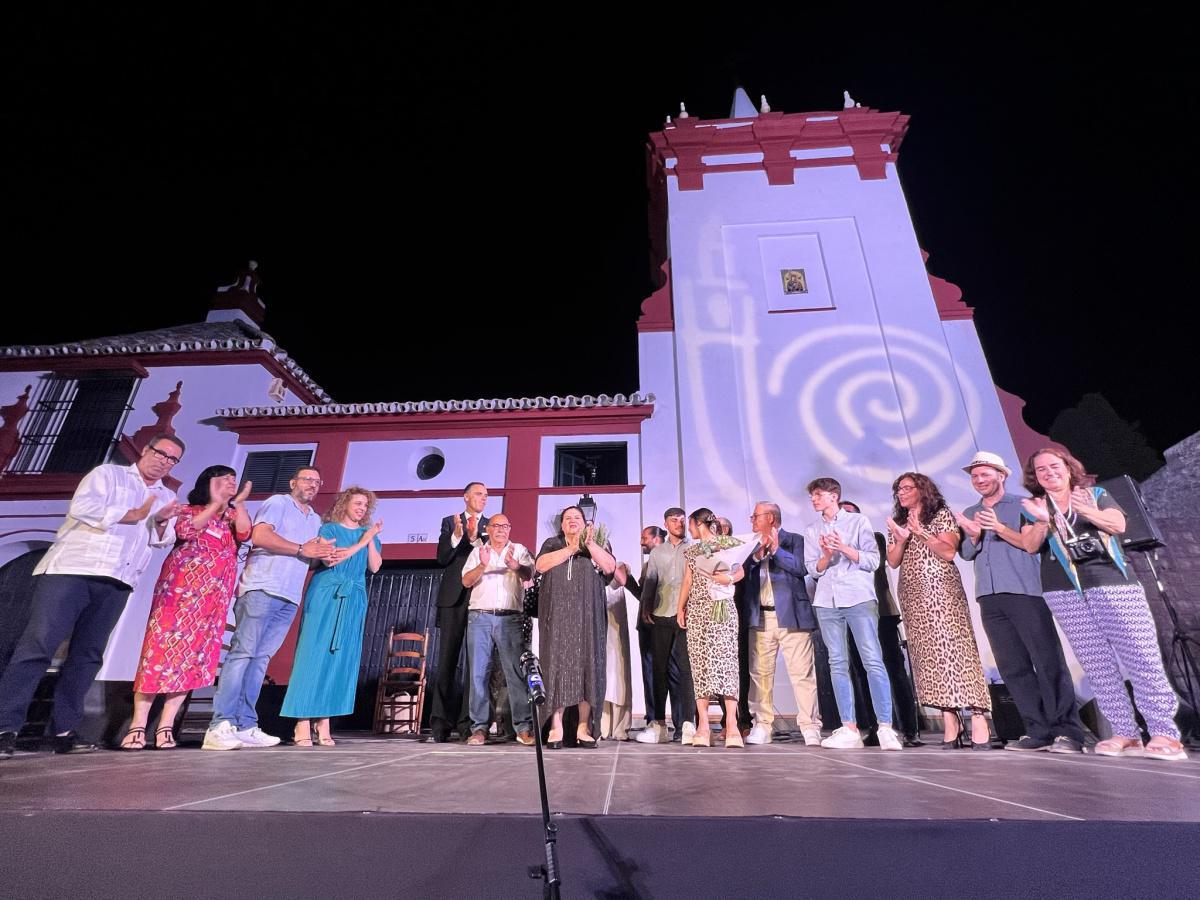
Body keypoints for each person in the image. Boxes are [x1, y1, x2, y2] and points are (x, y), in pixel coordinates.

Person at [0, 435, 183, 758]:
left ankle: (63, 730)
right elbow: (84, 508)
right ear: (146, 450)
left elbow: (161, 540)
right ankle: (6, 726)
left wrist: (161, 520)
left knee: (87, 656)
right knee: (38, 646)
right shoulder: (107, 475)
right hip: (72, 570)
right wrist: (137, 512)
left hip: (118, 579)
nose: (165, 461)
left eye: (172, 460)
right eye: (161, 453)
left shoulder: (165, 495)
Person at [1019, 447, 1186, 761]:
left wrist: (1087, 513)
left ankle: (1164, 732)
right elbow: (1029, 545)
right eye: (1041, 470)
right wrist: (1043, 521)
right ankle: (1126, 733)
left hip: (1111, 583)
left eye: (1054, 466)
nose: (1048, 473)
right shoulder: (1034, 506)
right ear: (1035, 477)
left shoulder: (1095, 494)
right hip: (1063, 590)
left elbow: (1118, 525)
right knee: (1097, 664)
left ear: (1069, 469)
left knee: (1140, 655)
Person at [955, 451, 1086, 753]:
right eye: (975, 476)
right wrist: (974, 536)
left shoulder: (1024, 505)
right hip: (988, 596)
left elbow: (1030, 545)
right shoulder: (971, 510)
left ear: (1001, 475)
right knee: (1012, 667)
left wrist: (998, 528)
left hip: (1025, 591)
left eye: (985, 473)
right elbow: (966, 552)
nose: (979, 480)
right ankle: (1037, 730)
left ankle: (1068, 731)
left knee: (1047, 660)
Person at [119, 466, 252, 750]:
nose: (231, 483)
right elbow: (186, 530)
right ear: (209, 484)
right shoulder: (189, 510)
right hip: (180, 594)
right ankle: (138, 724)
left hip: (212, 600)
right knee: (158, 653)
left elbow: (245, 532)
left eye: (233, 480)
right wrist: (215, 502)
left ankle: (167, 725)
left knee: (193, 659)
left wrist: (237, 502)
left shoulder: (229, 517)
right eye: (224, 480)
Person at [204, 465, 335, 751]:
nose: (312, 485)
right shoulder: (278, 502)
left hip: (289, 595)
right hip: (263, 587)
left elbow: (308, 555)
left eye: (317, 481)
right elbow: (260, 536)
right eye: (307, 480)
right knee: (243, 654)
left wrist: (324, 556)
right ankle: (220, 724)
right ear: (293, 483)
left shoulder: (314, 519)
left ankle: (246, 724)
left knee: (260, 660)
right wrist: (302, 549)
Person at [886, 472, 992, 749]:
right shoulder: (898, 521)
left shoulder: (940, 514)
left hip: (941, 589)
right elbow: (894, 562)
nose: (901, 492)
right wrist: (900, 539)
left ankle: (978, 716)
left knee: (956, 649)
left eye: (907, 487)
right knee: (929, 656)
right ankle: (950, 720)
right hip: (912, 593)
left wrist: (920, 532)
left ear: (923, 489)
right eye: (898, 489)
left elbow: (947, 552)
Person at [804, 479, 902, 750]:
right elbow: (813, 569)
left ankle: (885, 726)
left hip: (858, 597)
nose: (814, 500)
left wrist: (844, 549)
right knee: (837, 662)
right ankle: (849, 727)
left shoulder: (858, 522)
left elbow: (873, 561)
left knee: (872, 659)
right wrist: (826, 554)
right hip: (826, 600)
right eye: (813, 496)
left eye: (819, 495)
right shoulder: (812, 529)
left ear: (834, 496)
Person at [281, 487, 383, 746]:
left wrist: (369, 538)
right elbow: (331, 560)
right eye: (357, 503)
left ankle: (323, 720)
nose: (361, 508)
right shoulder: (329, 530)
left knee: (339, 660)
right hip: (328, 593)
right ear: (344, 504)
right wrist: (364, 538)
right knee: (312, 655)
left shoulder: (368, 534)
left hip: (355, 596)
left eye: (365, 505)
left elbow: (375, 566)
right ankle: (301, 720)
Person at [838, 500, 923, 747]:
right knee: (861, 672)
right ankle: (875, 727)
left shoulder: (873, 537)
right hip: (852, 612)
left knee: (893, 670)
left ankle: (909, 728)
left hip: (881, 613)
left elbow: (868, 563)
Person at [535, 506, 619, 748]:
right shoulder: (553, 543)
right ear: (561, 525)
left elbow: (610, 568)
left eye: (577, 518)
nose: (572, 521)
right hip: (557, 617)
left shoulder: (599, 541)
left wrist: (589, 544)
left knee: (587, 667)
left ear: (586, 523)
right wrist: (571, 548)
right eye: (567, 518)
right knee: (556, 667)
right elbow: (540, 566)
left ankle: (584, 727)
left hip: (588, 616)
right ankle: (556, 726)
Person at [742, 501, 820, 746]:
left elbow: (801, 568)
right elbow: (740, 572)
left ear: (771, 519)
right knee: (760, 675)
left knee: (802, 674)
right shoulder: (750, 545)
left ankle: (809, 726)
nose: (751, 520)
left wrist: (776, 550)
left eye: (755, 516)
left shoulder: (795, 540)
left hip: (792, 616)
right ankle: (762, 725)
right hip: (760, 616)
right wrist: (757, 554)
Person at [458, 513, 535, 746]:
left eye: (505, 525)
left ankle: (522, 727)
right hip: (479, 617)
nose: (501, 529)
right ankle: (480, 728)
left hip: (510, 618)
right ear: (488, 529)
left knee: (516, 674)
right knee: (479, 674)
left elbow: (530, 573)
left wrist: (515, 566)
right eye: (496, 526)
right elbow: (466, 581)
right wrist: (483, 564)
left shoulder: (519, 550)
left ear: (510, 529)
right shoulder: (478, 552)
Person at [677, 508, 745, 747]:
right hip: (697, 608)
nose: (689, 529)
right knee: (700, 663)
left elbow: (740, 570)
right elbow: (688, 579)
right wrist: (680, 607)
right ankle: (703, 725)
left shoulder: (727, 543)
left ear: (698, 523)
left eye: (690, 524)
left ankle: (732, 726)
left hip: (721, 607)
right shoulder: (692, 550)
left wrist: (729, 579)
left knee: (726, 662)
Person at [430, 482, 490, 742]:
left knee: (475, 665)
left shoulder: (491, 524)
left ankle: (469, 724)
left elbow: (489, 556)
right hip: (452, 599)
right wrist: (457, 535)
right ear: (465, 497)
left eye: (487, 495)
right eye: (479, 494)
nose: (483, 498)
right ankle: (440, 724)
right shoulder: (448, 522)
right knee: (446, 662)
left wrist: (476, 537)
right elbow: (442, 558)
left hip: (479, 598)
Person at [637, 508, 697, 745]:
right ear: (666, 523)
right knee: (659, 671)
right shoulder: (657, 553)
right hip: (661, 614)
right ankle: (658, 724)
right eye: (674, 520)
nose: (679, 524)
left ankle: (687, 725)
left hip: (686, 615)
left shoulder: (693, 548)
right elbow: (651, 581)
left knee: (686, 672)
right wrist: (645, 609)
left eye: (682, 520)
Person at [601, 563, 634, 741]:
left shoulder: (617, 571)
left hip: (615, 636)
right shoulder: (592, 575)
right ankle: (601, 725)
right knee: (603, 677)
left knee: (618, 678)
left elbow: (620, 579)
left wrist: (618, 568)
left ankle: (619, 726)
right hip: (599, 637)